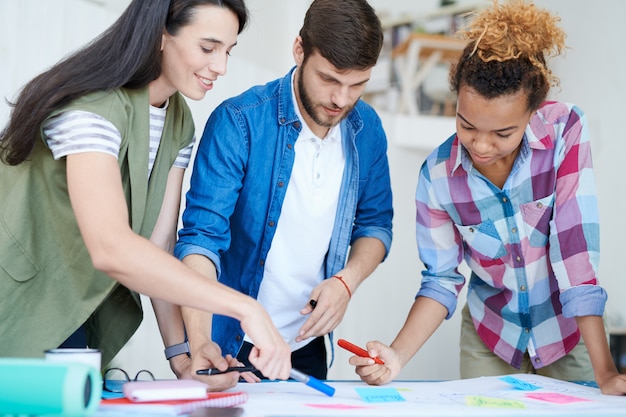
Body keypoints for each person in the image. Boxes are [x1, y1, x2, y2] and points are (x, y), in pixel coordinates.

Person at [0, 0, 291, 389]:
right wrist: (243, 307)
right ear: (161, 35)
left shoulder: (179, 120)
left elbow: (158, 243)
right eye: (208, 48)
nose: (220, 66)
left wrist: (186, 353)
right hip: (18, 307)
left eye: (228, 51)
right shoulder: (91, 110)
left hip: (72, 317)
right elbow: (111, 247)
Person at [350, 0, 626, 395]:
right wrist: (395, 356)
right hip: (491, 337)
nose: (480, 145)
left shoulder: (565, 131)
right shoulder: (438, 176)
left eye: (503, 134)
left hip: (564, 333)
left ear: (533, 111)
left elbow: (575, 256)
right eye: (466, 125)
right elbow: (441, 280)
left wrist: (606, 373)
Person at [174, 0, 393, 381]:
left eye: (357, 84)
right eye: (329, 79)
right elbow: (200, 240)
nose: (341, 99)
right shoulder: (239, 122)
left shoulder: (367, 129)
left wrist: (346, 281)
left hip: (307, 346)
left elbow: (375, 226)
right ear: (298, 50)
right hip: (232, 344)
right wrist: (199, 343)